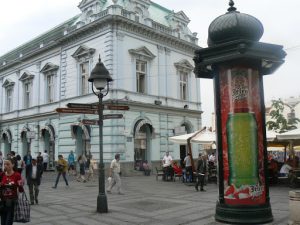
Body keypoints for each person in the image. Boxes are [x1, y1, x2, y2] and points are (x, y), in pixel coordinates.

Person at [1, 159, 24, 225]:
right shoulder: (2, 174)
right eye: (4, 164)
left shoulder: (17, 175)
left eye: (8, 164)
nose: (5, 166)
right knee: (2, 221)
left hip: (11, 201)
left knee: (8, 221)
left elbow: (21, 189)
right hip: (2, 201)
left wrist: (21, 184)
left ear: (13, 165)